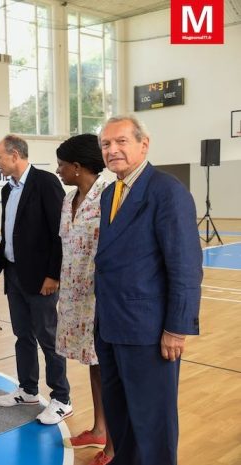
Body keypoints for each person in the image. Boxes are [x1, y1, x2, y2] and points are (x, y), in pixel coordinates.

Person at [95, 115, 202, 465]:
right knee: (122, 418)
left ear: (144, 144)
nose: (113, 150)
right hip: (110, 326)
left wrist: (177, 327)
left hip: (149, 330)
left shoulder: (167, 192)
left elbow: (185, 265)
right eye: (106, 145)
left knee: (152, 422)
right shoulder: (110, 192)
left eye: (121, 141)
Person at [0, 135, 71, 425]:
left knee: (48, 337)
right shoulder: (8, 190)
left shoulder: (45, 183)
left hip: (42, 278)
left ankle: (62, 398)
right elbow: (9, 237)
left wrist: (53, 275)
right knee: (23, 336)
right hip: (15, 275)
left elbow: (59, 233)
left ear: (14, 155)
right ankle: (28, 389)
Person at [54, 134, 113, 465]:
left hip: (100, 298)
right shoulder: (69, 199)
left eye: (63, 164)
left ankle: (114, 443)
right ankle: (99, 428)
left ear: (77, 167)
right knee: (93, 366)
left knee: (108, 370)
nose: (59, 170)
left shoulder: (109, 196)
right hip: (75, 299)